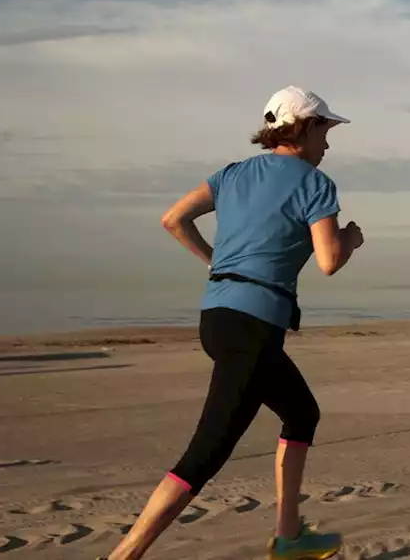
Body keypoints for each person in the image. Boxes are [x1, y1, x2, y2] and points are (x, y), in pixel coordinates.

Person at [101, 86, 364, 560]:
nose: (328, 142)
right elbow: (328, 261)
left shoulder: (233, 174)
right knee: (207, 451)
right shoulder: (314, 183)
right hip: (252, 329)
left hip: (218, 317)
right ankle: (123, 556)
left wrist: (213, 262)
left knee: (302, 413)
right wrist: (350, 238)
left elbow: (173, 219)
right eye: (325, 128)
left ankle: (288, 538)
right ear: (303, 128)